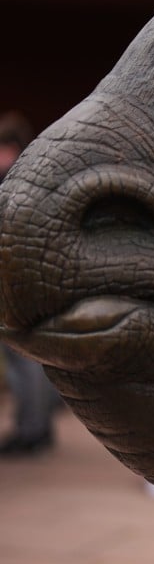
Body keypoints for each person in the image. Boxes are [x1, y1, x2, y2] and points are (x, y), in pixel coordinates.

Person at [0, 111, 62, 456]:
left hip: (18, 283)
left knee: (25, 359)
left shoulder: (13, 181)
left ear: (9, 148)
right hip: (33, 280)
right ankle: (38, 427)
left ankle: (32, 431)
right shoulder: (36, 176)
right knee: (33, 358)